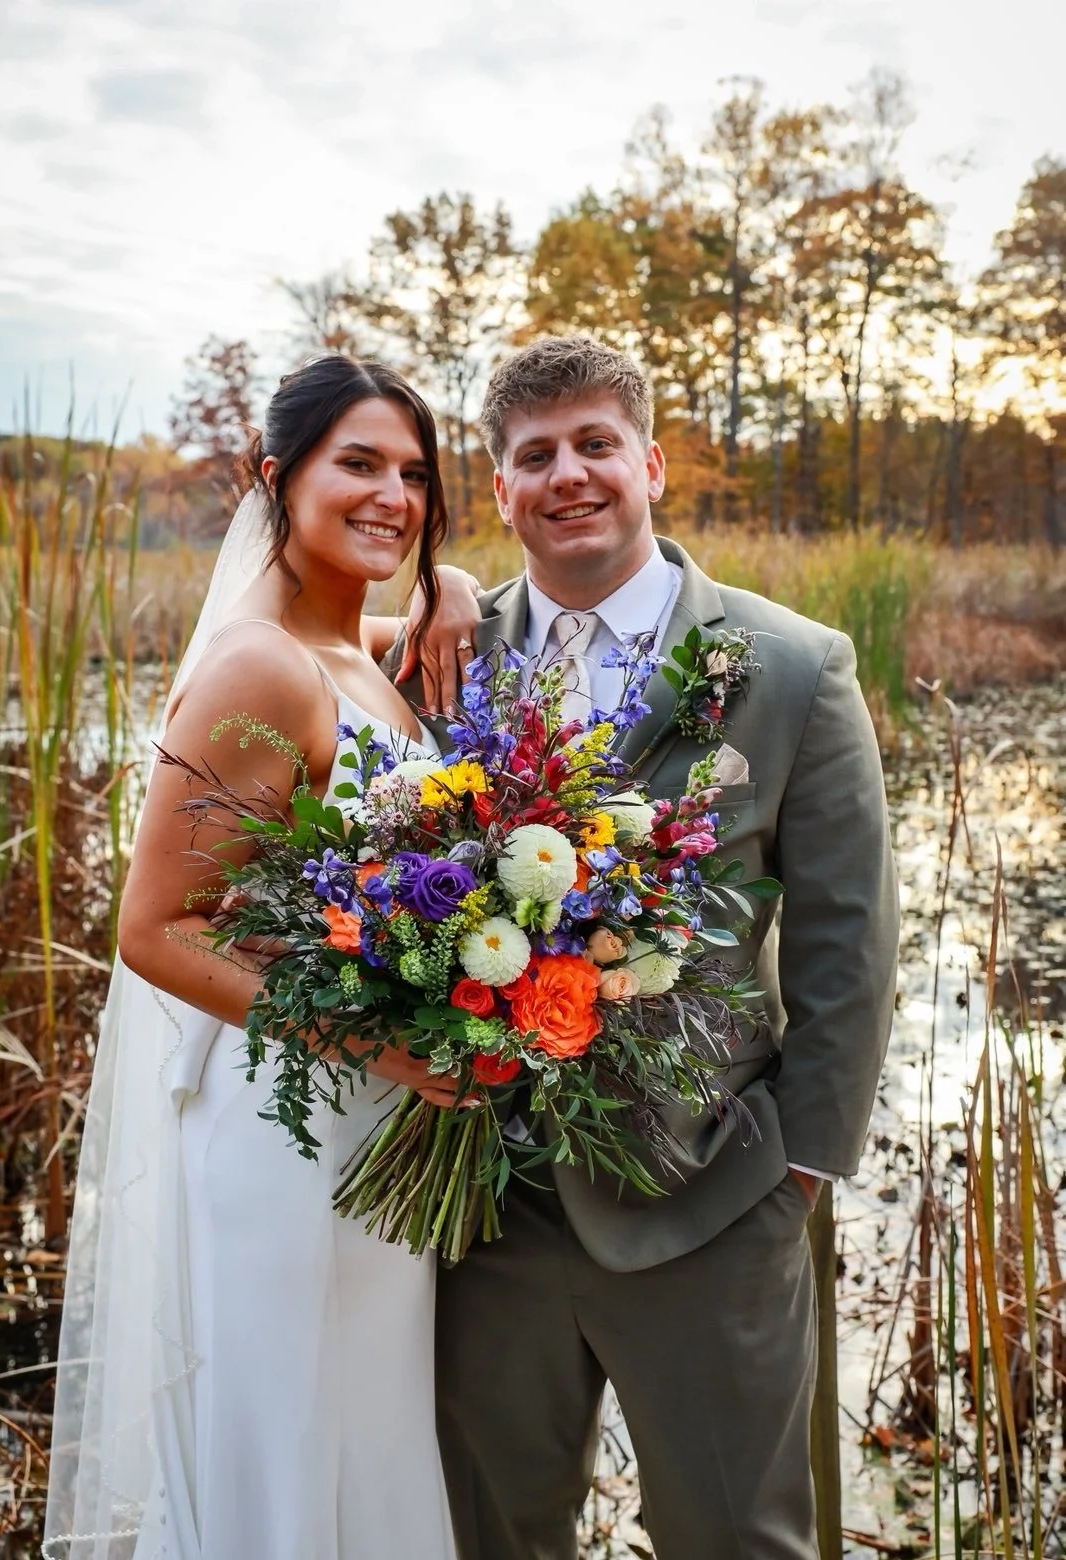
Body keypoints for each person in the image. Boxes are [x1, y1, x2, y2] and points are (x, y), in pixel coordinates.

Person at [387, 334, 900, 1560]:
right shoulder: (440, 661)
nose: (570, 475)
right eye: (534, 456)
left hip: (710, 1200)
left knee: (741, 1538)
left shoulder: (793, 670)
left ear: (652, 464)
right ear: (501, 489)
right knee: (493, 1536)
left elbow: (848, 948)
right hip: (486, 1208)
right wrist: (439, 586)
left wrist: (800, 1175)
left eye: (595, 445)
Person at [44, 355, 479, 1560]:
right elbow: (155, 932)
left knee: (364, 1431)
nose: (395, 494)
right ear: (274, 477)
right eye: (360, 464)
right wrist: (376, 1042)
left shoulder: (355, 654)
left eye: (416, 474)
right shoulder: (256, 664)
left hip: (373, 1118)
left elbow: (406, 625)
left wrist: (464, 591)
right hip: (283, 1121)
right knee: (286, 1443)